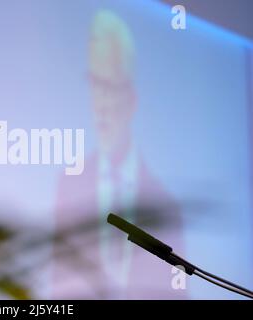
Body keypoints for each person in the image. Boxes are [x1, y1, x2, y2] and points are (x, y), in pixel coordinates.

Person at [52, 10, 185, 299]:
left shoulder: (166, 204)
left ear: (132, 98)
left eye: (110, 87)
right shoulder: (68, 184)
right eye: (95, 85)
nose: (102, 103)